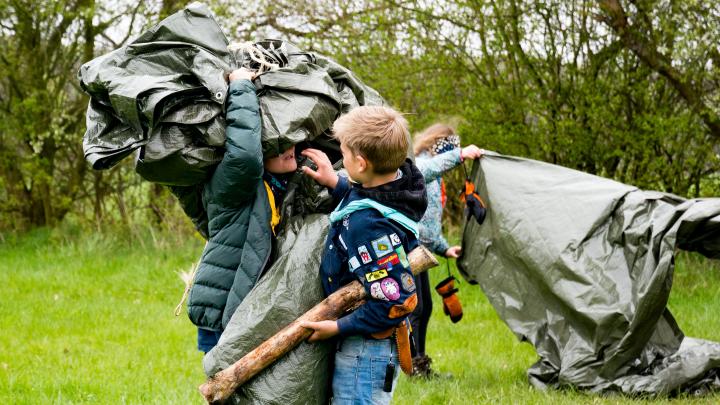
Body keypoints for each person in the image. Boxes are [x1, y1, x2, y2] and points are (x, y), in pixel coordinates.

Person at [299, 106, 428, 404]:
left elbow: (397, 300)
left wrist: (337, 327)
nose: (341, 160)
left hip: (366, 353)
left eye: (343, 154)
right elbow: (372, 197)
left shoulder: (367, 227)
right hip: (367, 350)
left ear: (360, 162)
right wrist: (337, 183)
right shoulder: (398, 185)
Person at [186, 67, 299, 353]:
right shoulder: (231, 184)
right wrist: (241, 87)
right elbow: (246, 155)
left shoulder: (285, 185)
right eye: (276, 140)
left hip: (253, 314)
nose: (290, 146)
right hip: (224, 312)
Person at [409, 123, 483, 377]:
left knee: (424, 307)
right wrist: (460, 155)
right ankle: (412, 367)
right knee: (415, 309)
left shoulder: (433, 177)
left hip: (421, 249)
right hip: (408, 248)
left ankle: (418, 363)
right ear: (437, 147)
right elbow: (427, 168)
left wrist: (445, 248)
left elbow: (428, 224)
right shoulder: (418, 165)